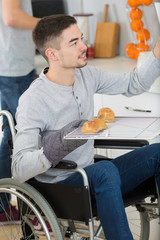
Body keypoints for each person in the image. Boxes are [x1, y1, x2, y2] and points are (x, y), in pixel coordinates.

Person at [12, 14, 160, 240]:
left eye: (81, 38)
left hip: (93, 177)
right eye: (74, 43)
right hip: (62, 188)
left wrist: (157, 54)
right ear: (52, 54)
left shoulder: (86, 75)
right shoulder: (34, 99)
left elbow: (134, 84)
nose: (84, 46)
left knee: (157, 152)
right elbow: (19, 168)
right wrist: (58, 146)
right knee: (104, 170)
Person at [0, 0, 40, 224]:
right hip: (14, 69)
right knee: (30, 137)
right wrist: (46, 24)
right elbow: (11, 17)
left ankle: (2, 208)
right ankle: (33, 210)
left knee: (10, 139)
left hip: (13, 66)